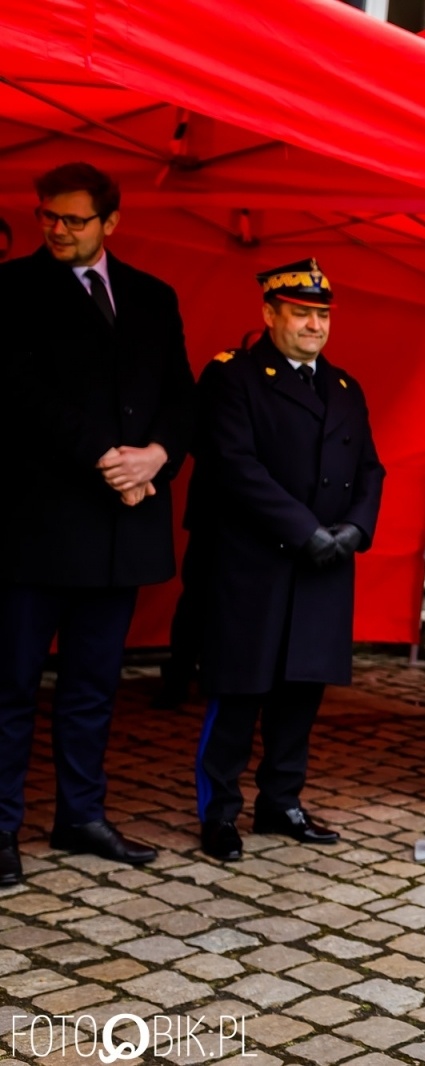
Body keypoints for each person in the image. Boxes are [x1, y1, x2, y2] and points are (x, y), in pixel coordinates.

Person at [0, 163, 194, 883]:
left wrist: (158, 457)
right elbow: (16, 392)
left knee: (92, 685)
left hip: (122, 531)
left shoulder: (152, 296)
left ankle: (80, 816)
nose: (56, 228)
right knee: (12, 685)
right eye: (48, 215)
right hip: (36, 530)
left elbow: (181, 394)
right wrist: (106, 458)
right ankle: (0, 829)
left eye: (74, 220)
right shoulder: (11, 289)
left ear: (110, 223)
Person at [188, 259, 384, 862]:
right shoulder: (234, 377)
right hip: (255, 566)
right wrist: (304, 531)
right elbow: (234, 466)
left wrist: (356, 527)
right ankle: (218, 814)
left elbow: (371, 469)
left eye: (322, 314)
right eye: (301, 312)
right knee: (239, 692)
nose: (314, 325)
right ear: (269, 314)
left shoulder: (345, 388)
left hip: (324, 568)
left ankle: (281, 801)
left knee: (300, 694)